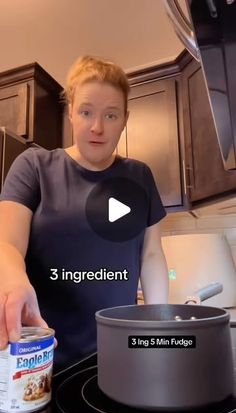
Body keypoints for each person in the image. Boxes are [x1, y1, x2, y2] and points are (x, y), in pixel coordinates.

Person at [0, 56, 169, 372]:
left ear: (125, 119)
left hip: (122, 357)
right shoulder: (34, 166)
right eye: (86, 112)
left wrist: (158, 331)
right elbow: (6, 244)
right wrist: (11, 277)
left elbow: (152, 256)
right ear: (70, 114)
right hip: (43, 356)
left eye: (111, 115)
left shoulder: (140, 176)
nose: (97, 127)